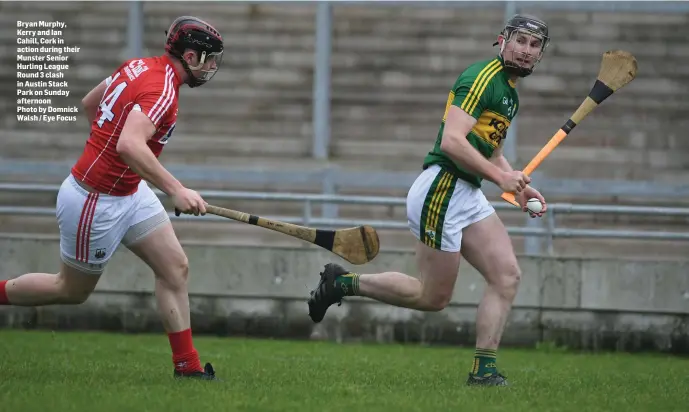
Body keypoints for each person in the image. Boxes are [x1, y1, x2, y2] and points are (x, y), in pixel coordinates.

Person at [307, 14, 551, 387]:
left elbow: (491, 149)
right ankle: (342, 284)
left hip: (466, 192)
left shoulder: (510, 92)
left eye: (535, 46)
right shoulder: (481, 78)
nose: (526, 51)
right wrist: (500, 178)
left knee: (506, 277)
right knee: (432, 297)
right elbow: (452, 142)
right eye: (520, 41)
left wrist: (514, 186)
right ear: (502, 41)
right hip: (442, 189)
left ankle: (483, 371)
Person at [0, 16, 224, 380]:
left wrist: (112, 158)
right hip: (95, 200)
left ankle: (188, 367)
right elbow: (129, 143)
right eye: (209, 58)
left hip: (129, 192)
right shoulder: (162, 90)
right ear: (190, 55)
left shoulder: (139, 65)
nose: (213, 66)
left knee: (174, 268)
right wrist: (177, 190)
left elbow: (92, 102)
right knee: (70, 290)